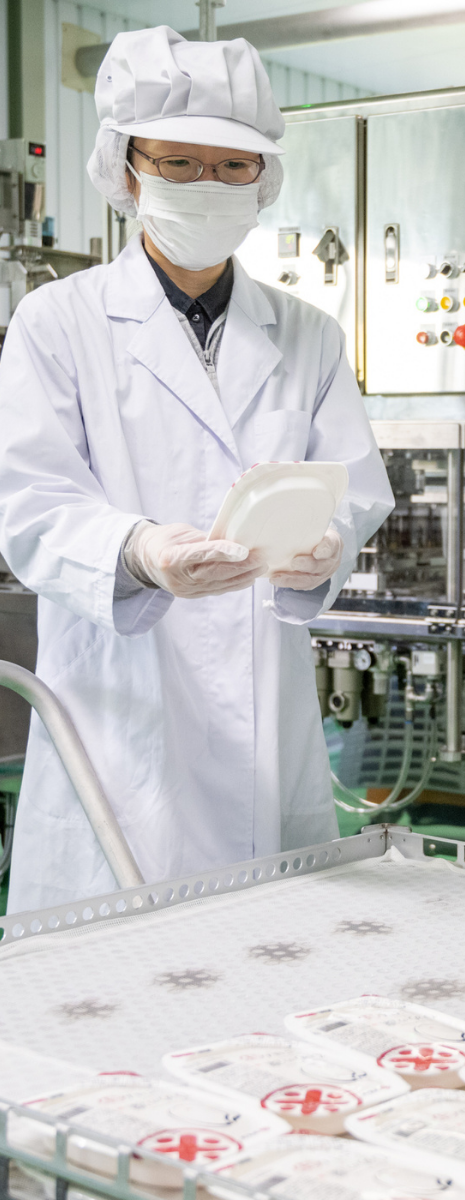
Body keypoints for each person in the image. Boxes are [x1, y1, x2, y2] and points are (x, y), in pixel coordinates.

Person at [0, 27, 394, 912]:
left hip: (268, 732)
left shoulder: (309, 335)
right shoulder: (58, 323)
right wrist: (141, 553)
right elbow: (29, 505)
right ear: (128, 168)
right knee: (111, 996)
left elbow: (355, 489)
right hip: (121, 721)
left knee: (272, 982)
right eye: (180, 163)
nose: (207, 187)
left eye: (232, 167)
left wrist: (326, 544)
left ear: (265, 178)